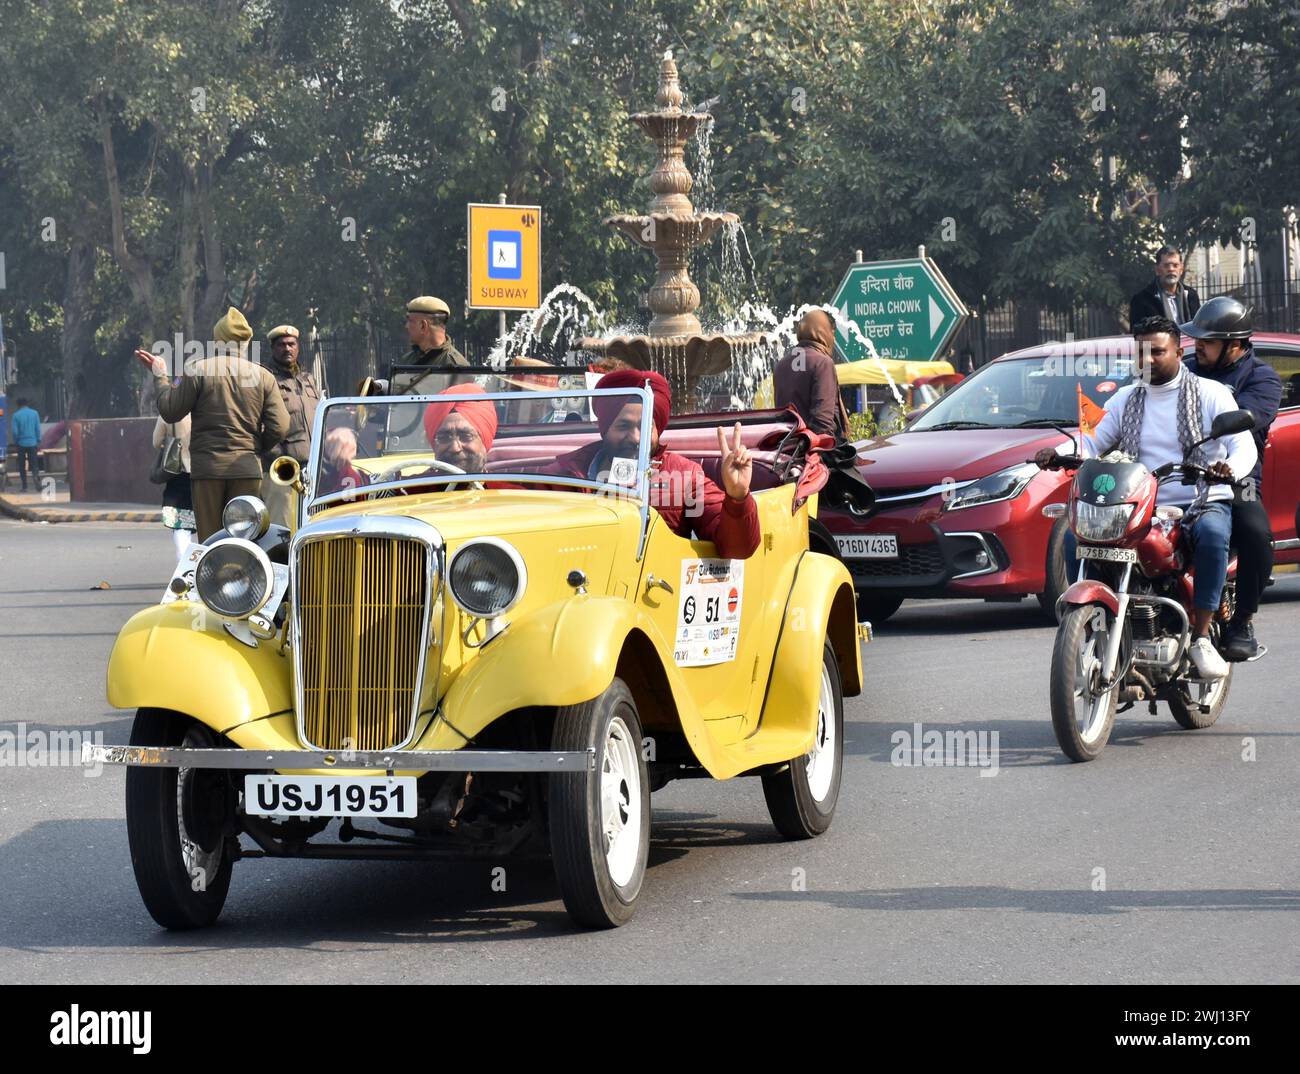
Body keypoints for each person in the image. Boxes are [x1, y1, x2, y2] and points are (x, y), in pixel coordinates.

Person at [1036, 316, 1255, 679]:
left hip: (1198, 498)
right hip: (1140, 504)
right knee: (1076, 536)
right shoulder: (1126, 398)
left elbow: (1242, 446)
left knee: (1215, 535)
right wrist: (1058, 452)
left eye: (1157, 351)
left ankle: (1200, 636)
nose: (1148, 359)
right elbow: (1092, 442)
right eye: (1142, 352)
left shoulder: (1211, 393)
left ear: (1178, 351)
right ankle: (1086, 624)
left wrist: (1228, 468)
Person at [546, 369, 761, 559]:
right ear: (605, 428)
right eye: (623, 426)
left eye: (646, 426)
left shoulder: (685, 476)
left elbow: (737, 549)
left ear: (657, 428)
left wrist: (737, 497)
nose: (636, 437)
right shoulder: (570, 472)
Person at [1181, 297, 1282, 661]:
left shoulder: (1262, 378)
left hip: (1236, 474)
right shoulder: (1186, 369)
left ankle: (1242, 621)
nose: (1198, 348)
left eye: (1206, 342)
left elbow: (1248, 420)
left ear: (1234, 345)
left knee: (1256, 532)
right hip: (1179, 468)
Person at [135, 307, 290, 540]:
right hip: (247, 469)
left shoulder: (199, 370)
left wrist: (161, 377)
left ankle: (212, 577)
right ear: (246, 342)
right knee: (245, 541)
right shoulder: (263, 376)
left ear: (217, 340)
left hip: (208, 471)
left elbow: (170, 411)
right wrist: (255, 448)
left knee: (211, 540)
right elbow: (280, 426)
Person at [261, 324, 322, 527]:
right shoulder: (265, 379)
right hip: (282, 471)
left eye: (292, 344)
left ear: (298, 347)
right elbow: (260, 423)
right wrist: (277, 456)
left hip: (312, 470)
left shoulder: (308, 380)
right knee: (282, 529)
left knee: (313, 528)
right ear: (273, 348)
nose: (287, 349)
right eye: (281, 345)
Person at [773, 308, 848, 439]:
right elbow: (822, 423)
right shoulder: (822, 363)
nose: (833, 339)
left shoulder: (781, 364)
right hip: (813, 451)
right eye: (832, 332)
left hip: (786, 446)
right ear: (822, 332)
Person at [152, 415, 196, 558]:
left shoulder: (168, 413)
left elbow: (156, 442)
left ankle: (185, 564)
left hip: (178, 471)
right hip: (205, 471)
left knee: (181, 524)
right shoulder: (204, 407)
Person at [1129, 246, 1201, 327]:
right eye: (1166, 265)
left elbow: (1199, 328)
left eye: (1175, 265)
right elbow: (1138, 337)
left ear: (1181, 270)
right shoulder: (1142, 300)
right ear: (1157, 270)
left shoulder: (1191, 296)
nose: (1171, 269)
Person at [402, 296, 469, 367]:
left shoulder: (456, 365)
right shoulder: (408, 360)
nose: (406, 326)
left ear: (423, 326)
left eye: (410, 321)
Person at [11, 397, 42, 492]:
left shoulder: (16, 415)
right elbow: (38, 428)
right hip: (33, 442)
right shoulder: (35, 413)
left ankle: (24, 486)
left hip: (21, 443)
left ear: (18, 405)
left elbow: (15, 432)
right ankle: (36, 477)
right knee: (34, 464)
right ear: (27, 403)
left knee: (21, 465)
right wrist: (38, 440)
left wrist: (16, 442)